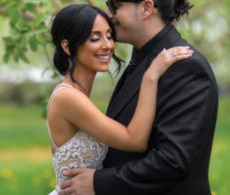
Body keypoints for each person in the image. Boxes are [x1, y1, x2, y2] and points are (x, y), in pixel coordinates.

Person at [59, 1, 218, 195]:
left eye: (114, 6)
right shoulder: (145, 61)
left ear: (146, 8)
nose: (108, 14)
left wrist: (99, 183)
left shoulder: (184, 66)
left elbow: (173, 160)